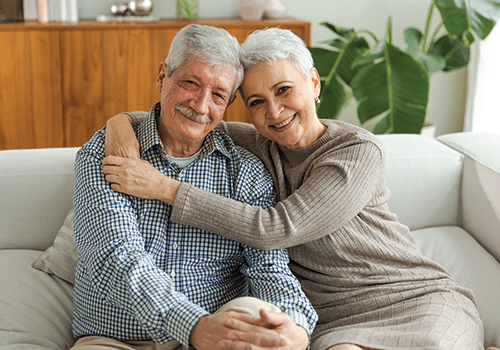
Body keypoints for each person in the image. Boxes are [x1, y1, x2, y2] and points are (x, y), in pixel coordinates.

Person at [103, 28, 496, 350]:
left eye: (284, 90)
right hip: (333, 318)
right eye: (256, 102)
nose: (273, 112)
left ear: (313, 82)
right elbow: (187, 115)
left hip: (413, 301)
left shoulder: (356, 151)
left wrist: (165, 189)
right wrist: (118, 122)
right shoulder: (261, 143)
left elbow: (276, 228)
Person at [71, 24, 318, 350]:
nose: (201, 106)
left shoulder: (245, 172)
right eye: (190, 83)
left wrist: (297, 325)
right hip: (115, 339)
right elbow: (116, 258)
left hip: (217, 336)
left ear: (229, 103)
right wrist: (194, 327)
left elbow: (268, 268)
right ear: (162, 77)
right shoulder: (109, 152)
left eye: (218, 95)